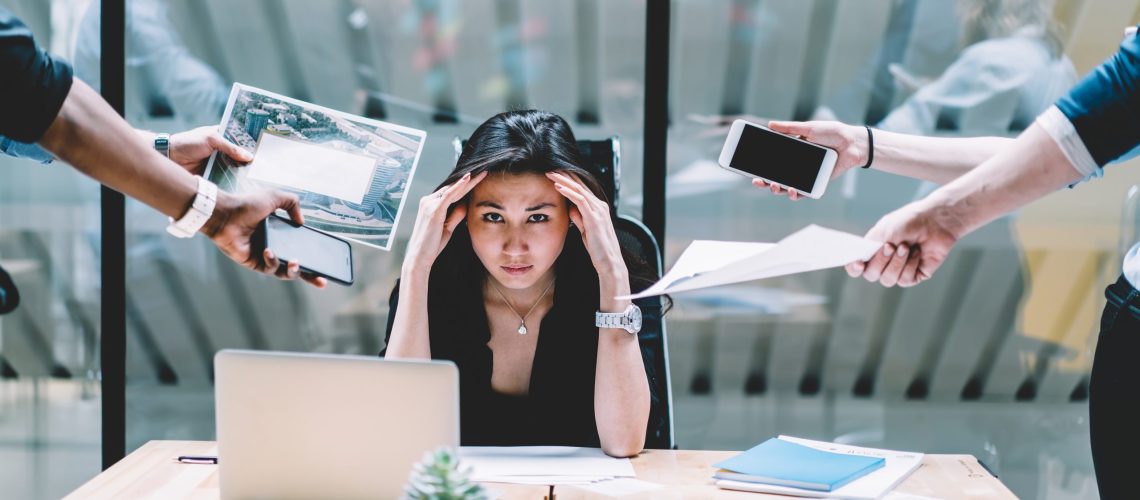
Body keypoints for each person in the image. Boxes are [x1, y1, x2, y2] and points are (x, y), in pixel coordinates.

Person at [755, 25, 1140, 498]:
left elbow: (1075, 141)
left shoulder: (1003, 58)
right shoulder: (1043, 58)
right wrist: (864, 147)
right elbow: (1052, 152)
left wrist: (945, 214)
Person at [381, 110, 666, 457]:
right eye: (493, 216)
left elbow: (624, 443)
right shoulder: (430, 288)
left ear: (573, 217)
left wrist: (612, 276)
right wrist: (415, 267)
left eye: (538, 217)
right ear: (462, 217)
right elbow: (402, 435)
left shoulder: (624, 290)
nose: (515, 246)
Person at [0, 7, 324, 290]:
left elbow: (21, 123)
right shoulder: (135, 12)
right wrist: (220, 212)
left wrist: (165, 147)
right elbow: (47, 107)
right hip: (142, 239)